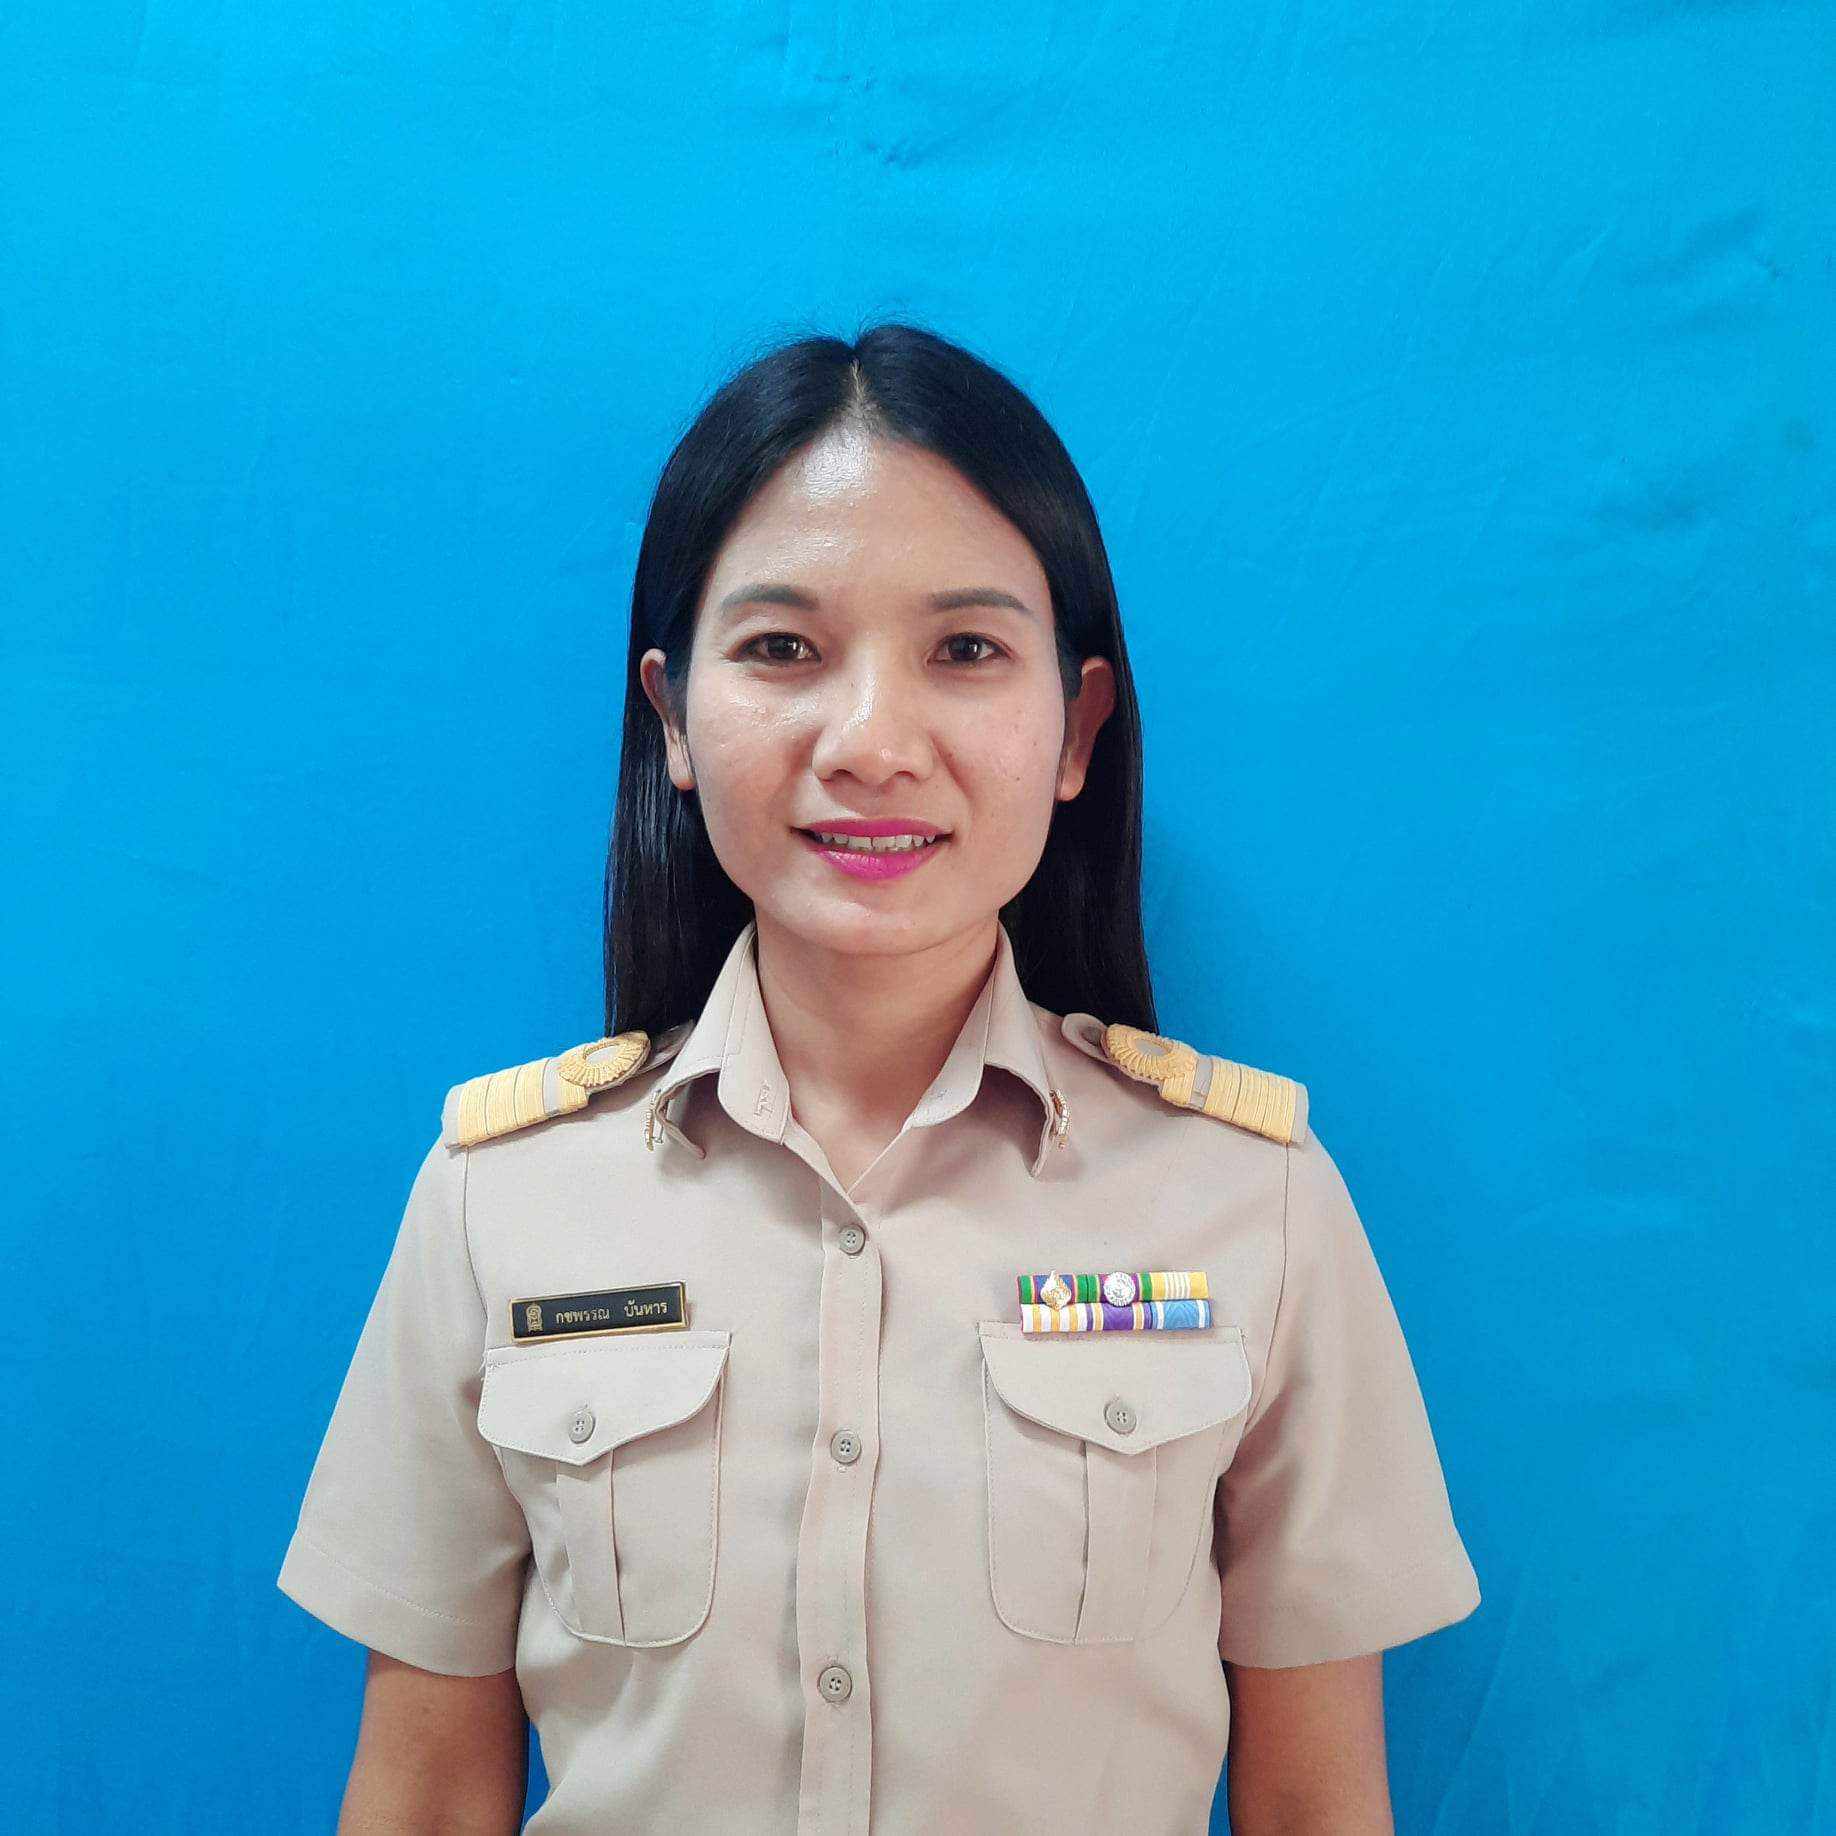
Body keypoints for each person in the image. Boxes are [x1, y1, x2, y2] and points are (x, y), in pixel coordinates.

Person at [277, 322, 1480, 1835]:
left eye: (966, 651)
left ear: (1077, 728)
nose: (872, 743)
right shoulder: (500, 1202)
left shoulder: (1253, 1205)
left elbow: (1317, 1802)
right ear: (672, 718)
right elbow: (423, 1792)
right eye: (783, 649)